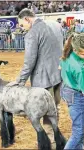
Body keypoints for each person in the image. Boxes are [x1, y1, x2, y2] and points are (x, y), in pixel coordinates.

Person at [7, 8, 63, 148]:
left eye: (22, 24)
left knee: (45, 111)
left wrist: (20, 81)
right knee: (55, 108)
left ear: (27, 19)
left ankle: (51, 142)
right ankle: (56, 137)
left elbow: (29, 62)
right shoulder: (55, 25)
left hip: (44, 79)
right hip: (59, 75)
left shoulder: (32, 34)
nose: (22, 28)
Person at [59, 33, 84, 149]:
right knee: (78, 132)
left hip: (66, 89)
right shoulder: (80, 68)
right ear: (75, 49)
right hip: (77, 95)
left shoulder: (67, 54)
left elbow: (61, 67)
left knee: (79, 129)